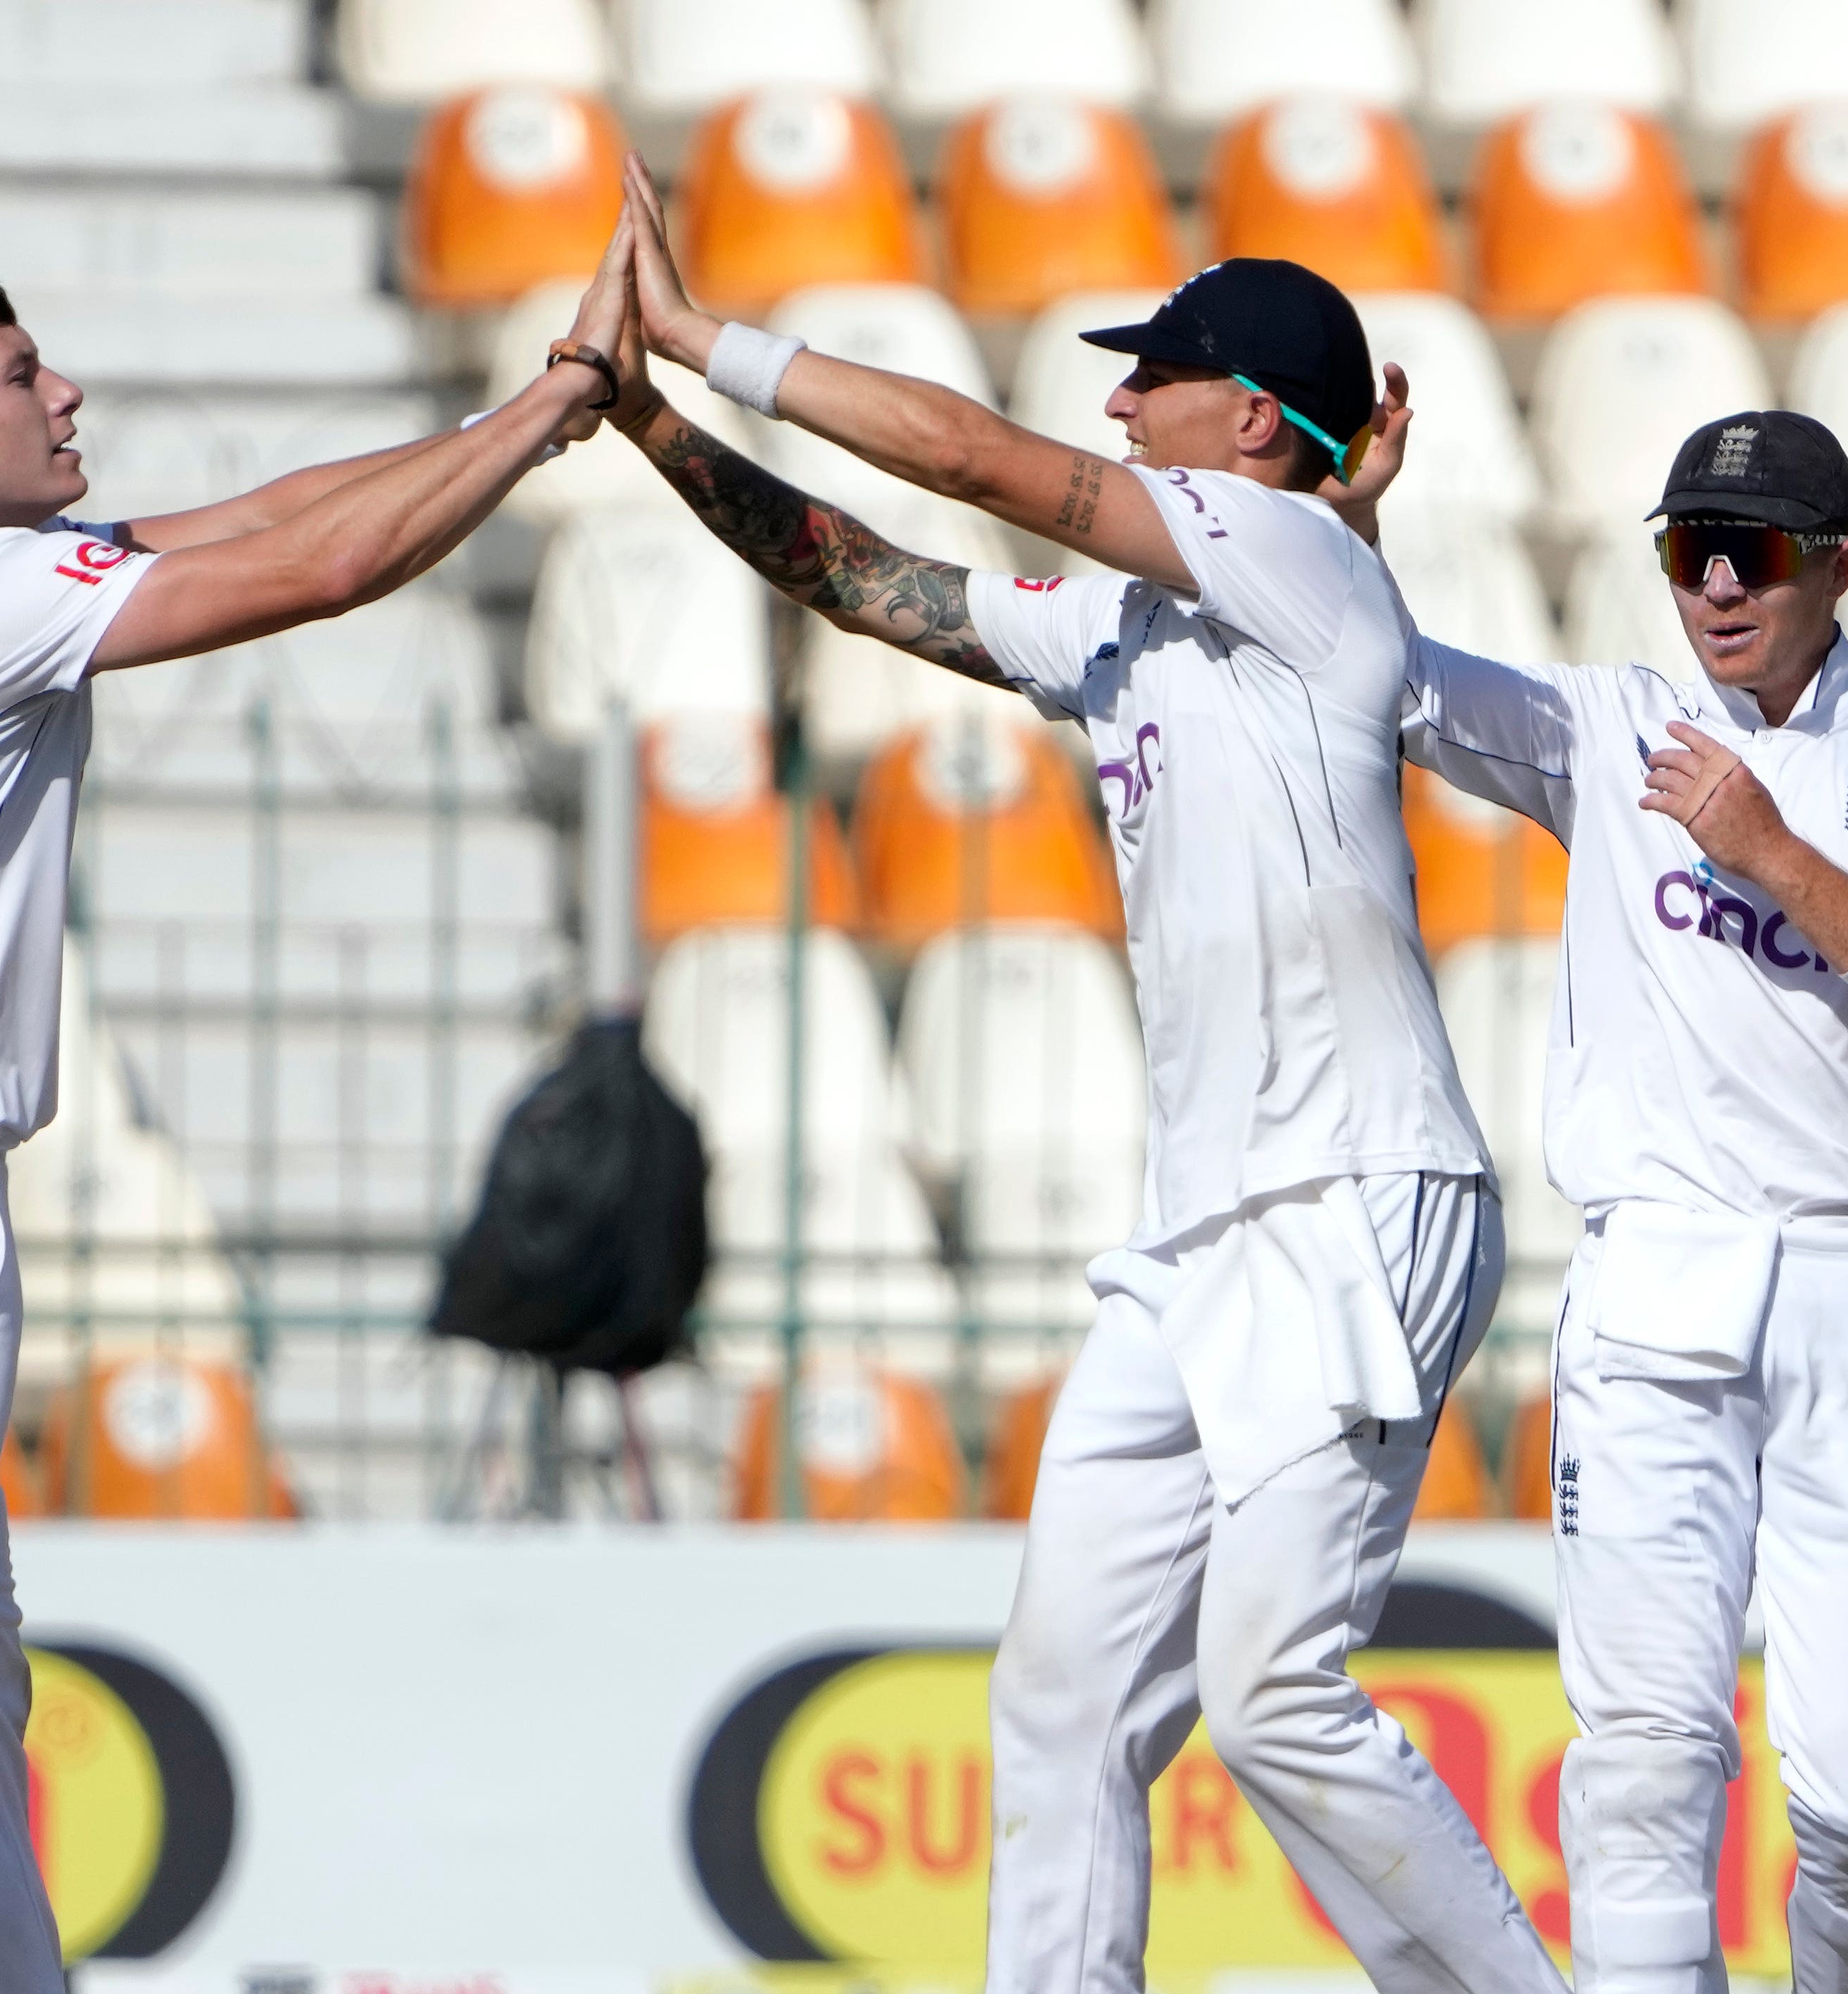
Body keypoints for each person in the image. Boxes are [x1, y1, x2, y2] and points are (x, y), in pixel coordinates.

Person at [596, 165, 1564, 1994]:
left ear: (1254, 428)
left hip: (1355, 1201)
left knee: (1275, 1695)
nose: (1114, 404)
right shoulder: (1133, 623)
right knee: (1054, 1703)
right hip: (1195, 1242)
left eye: (1154, 379)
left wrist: (703, 332)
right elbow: (875, 587)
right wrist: (649, 424)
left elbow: (973, 464)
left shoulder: (1294, 557)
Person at [0, 226, 641, 1994]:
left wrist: (540, 408)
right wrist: (550, 408)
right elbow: (330, 568)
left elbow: (259, 514)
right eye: (22, 371)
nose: (67, 391)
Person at [1390, 410, 1848, 1994]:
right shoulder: (1610, 727)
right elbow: (1390, 680)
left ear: (1844, 567)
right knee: (1644, 1770)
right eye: (1690, 552)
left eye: (1759, 554)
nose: (1721, 586)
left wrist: (1767, 846)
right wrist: (1347, 524)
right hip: (1655, 1293)